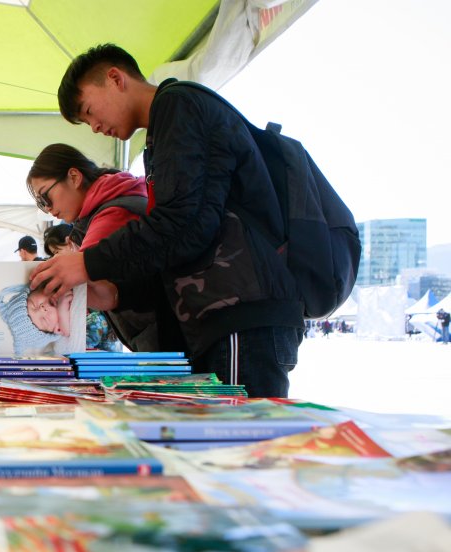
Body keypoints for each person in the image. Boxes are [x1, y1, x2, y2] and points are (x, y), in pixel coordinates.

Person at [30, 44, 304, 398]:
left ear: (115, 78)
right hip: (219, 318)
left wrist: (88, 262)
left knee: (241, 430)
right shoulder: (161, 132)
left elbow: (183, 223)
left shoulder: (179, 106)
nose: (95, 127)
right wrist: (116, 294)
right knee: (219, 432)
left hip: (241, 315)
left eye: (89, 111)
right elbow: (176, 244)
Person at [29, 143, 185, 353]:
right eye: (40, 203)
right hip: (164, 337)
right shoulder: (116, 198)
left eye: (45, 197)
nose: (47, 208)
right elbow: (108, 294)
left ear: (74, 177)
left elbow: (93, 283)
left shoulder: (114, 212)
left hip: (168, 339)